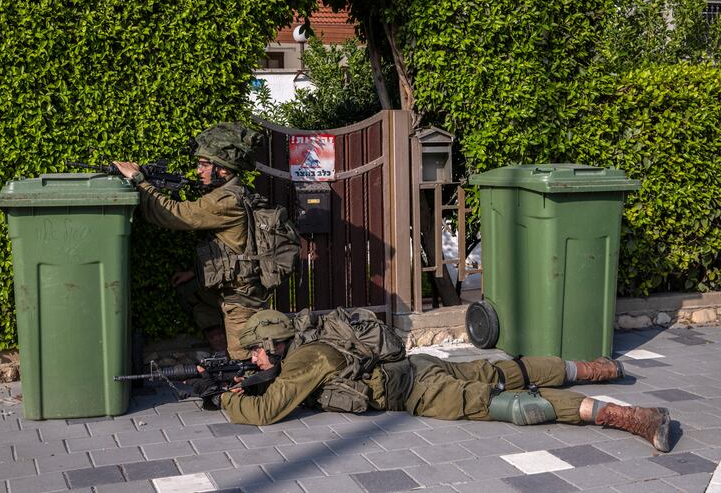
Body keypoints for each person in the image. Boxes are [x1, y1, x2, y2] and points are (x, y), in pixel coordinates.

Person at [215, 309, 672, 452]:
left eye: (255, 350)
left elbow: (267, 411)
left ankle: (631, 417)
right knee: (506, 369)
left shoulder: (303, 360)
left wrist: (226, 400)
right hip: (420, 366)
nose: (254, 358)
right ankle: (598, 368)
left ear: (274, 342)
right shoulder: (313, 338)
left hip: (423, 393)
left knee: (515, 404)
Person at [114, 122, 269, 360]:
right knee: (191, 292)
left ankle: (245, 387)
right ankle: (226, 360)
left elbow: (176, 214)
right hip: (232, 289)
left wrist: (139, 180)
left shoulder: (226, 201)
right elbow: (230, 249)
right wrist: (195, 273)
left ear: (224, 169)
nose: (198, 170)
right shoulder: (230, 192)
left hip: (240, 299)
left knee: (245, 361)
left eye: (204, 164)